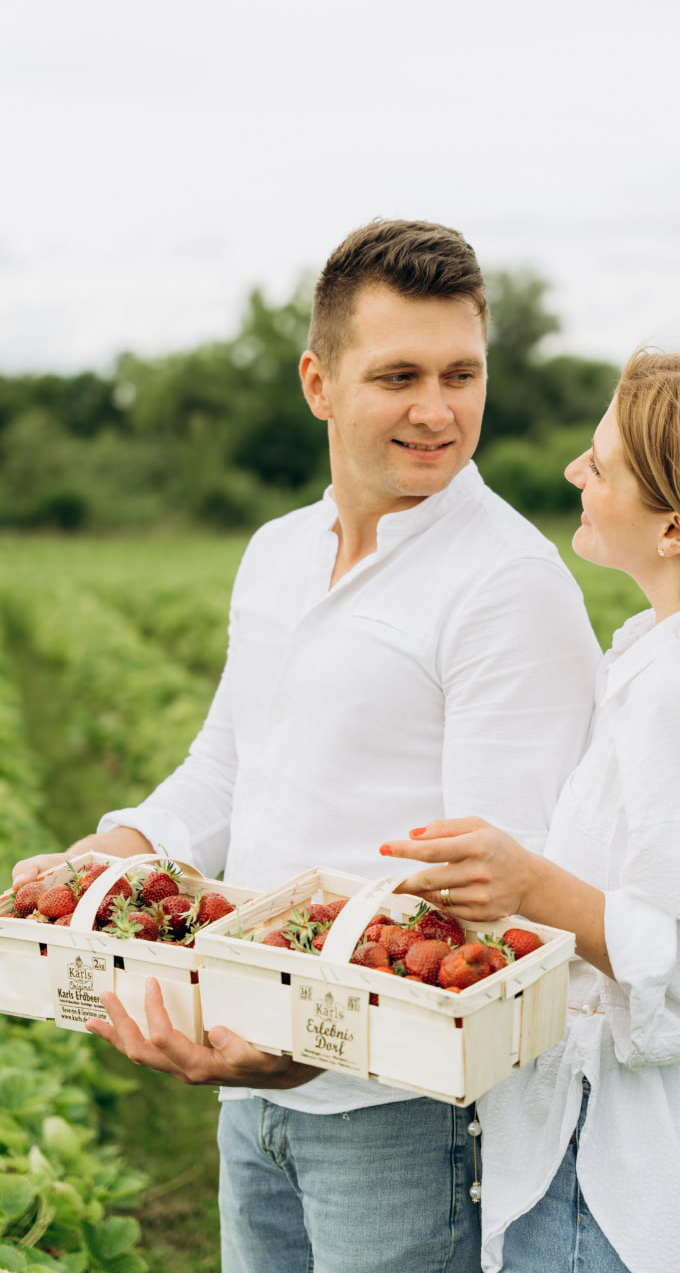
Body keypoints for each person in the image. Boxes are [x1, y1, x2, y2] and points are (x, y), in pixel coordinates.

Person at [12, 219, 601, 1273]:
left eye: (462, 373)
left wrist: (309, 1031)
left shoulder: (505, 583)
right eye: (398, 375)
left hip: (404, 1107)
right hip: (254, 1077)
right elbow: (227, 762)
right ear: (318, 382)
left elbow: (489, 892)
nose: (438, 409)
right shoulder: (276, 553)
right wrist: (118, 848)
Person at [382, 349, 680, 1273]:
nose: (573, 473)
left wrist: (533, 885)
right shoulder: (661, 656)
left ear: (675, 527)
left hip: (621, 1182)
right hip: (592, 1156)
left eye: (598, 464)